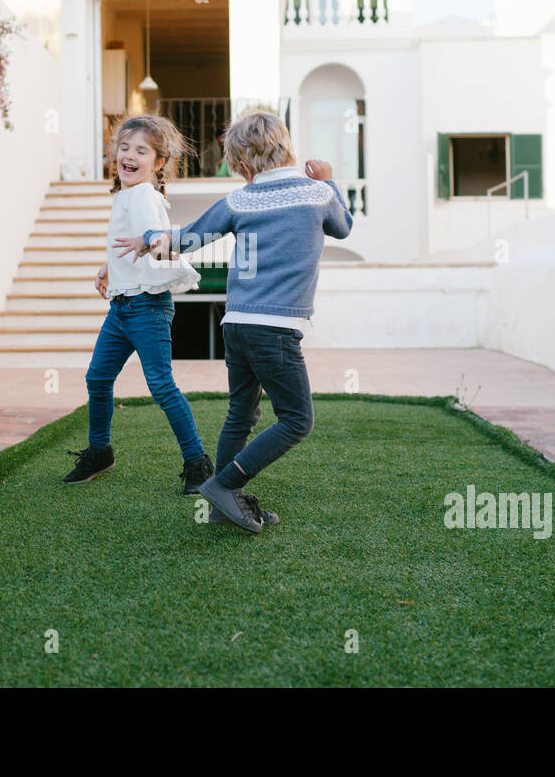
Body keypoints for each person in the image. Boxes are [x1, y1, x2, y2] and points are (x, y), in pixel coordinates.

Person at [114, 111, 353, 531]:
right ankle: (226, 485)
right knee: (298, 419)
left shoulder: (238, 200)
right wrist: (330, 179)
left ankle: (225, 501)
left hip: (236, 325)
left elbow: (184, 240)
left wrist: (151, 239)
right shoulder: (317, 195)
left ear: (242, 167)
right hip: (274, 329)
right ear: (289, 147)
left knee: (241, 414)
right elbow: (344, 227)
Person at [63, 114, 215, 495]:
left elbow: (160, 241)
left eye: (141, 151)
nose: (129, 156)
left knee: (161, 386)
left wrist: (152, 243)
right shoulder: (128, 195)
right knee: (98, 378)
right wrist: (110, 265)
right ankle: (100, 452)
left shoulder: (144, 195)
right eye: (124, 148)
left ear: (158, 162)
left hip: (147, 308)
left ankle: (198, 464)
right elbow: (131, 241)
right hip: (121, 309)